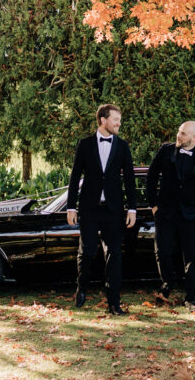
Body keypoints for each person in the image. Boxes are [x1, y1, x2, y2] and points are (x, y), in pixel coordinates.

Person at [66, 104, 137, 315]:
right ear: (103, 120)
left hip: (113, 210)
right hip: (89, 208)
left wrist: (131, 208)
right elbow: (75, 176)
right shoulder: (85, 144)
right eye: (115, 119)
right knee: (87, 252)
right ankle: (82, 286)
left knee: (114, 255)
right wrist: (71, 206)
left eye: (120, 119)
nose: (119, 123)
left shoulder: (122, 146)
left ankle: (113, 303)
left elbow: (131, 180)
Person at [146, 121, 195, 312]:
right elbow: (151, 177)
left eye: (184, 134)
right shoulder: (165, 151)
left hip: (191, 214)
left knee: (193, 257)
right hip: (165, 212)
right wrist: (154, 205)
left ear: (194, 137)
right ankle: (167, 283)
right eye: (179, 132)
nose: (179, 136)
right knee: (162, 252)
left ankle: (191, 299)